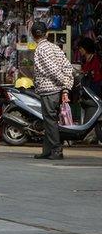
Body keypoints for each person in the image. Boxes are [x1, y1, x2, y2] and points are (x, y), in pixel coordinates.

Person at [32, 21, 74, 160]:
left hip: (49, 90)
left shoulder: (40, 49)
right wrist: (66, 87)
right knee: (49, 121)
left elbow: (53, 70)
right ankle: (47, 150)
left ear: (33, 36)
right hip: (56, 90)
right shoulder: (55, 47)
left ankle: (56, 150)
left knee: (50, 121)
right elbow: (68, 67)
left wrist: (65, 84)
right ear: (47, 33)